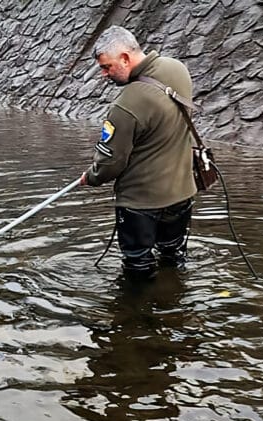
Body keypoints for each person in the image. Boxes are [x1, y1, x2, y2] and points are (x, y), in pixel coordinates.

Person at [80, 25, 197, 280]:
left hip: (140, 203)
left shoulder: (126, 105)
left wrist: (91, 177)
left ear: (125, 58)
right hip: (182, 193)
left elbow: (110, 162)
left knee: (138, 265)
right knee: (173, 256)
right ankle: (174, 306)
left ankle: (136, 315)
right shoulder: (177, 68)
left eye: (107, 67)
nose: (104, 74)